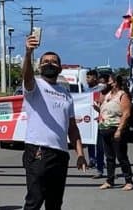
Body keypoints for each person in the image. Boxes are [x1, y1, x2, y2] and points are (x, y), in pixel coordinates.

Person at [22, 35, 87, 210]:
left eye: (54, 61)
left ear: (60, 68)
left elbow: (72, 127)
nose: (49, 63)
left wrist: (80, 154)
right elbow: (27, 76)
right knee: (35, 200)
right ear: (39, 66)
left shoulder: (65, 93)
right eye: (45, 61)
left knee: (55, 203)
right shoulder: (34, 86)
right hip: (38, 150)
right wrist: (28, 53)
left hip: (60, 154)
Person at [96, 74, 133, 190]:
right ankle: (110, 180)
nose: (109, 84)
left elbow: (126, 113)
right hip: (105, 129)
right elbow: (105, 110)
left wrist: (119, 130)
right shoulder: (108, 95)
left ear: (116, 83)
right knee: (109, 157)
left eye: (111, 82)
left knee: (121, 156)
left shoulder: (122, 95)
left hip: (116, 129)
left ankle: (128, 180)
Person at [83, 70, 105, 179]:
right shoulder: (86, 90)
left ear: (95, 78)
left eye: (89, 77)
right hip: (89, 120)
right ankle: (92, 160)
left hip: (100, 119)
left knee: (100, 145)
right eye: (86, 77)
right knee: (90, 141)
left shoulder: (102, 89)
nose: (87, 80)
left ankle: (101, 168)